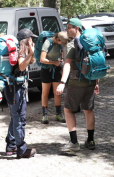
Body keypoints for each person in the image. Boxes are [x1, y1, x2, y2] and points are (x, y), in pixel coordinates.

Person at [56, 18, 99, 151]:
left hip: (75, 82)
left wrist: (62, 82)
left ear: (77, 28)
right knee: (88, 110)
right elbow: (96, 63)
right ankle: (90, 141)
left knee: (68, 110)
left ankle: (74, 143)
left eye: (69, 27)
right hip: (90, 81)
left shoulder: (72, 44)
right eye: (67, 27)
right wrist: (97, 82)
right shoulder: (92, 42)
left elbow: (67, 64)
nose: (67, 29)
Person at [4, 29, 37, 159]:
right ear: (27, 40)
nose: (33, 40)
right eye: (31, 38)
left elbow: (28, 64)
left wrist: (31, 54)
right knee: (19, 118)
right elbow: (22, 67)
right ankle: (21, 149)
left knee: (15, 117)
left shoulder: (21, 51)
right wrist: (31, 53)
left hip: (14, 88)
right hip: (14, 90)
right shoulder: (20, 52)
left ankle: (11, 146)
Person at [39, 31, 69, 124]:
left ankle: (58, 114)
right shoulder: (48, 42)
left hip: (56, 69)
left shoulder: (60, 44)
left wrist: (61, 61)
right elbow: (42, 59)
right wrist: (54, 62)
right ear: (57, 39)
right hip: (46, 69)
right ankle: (44, 115)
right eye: (62, 42)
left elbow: (63, 55)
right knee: (45, 92)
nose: (62, 44)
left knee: (57, 92)